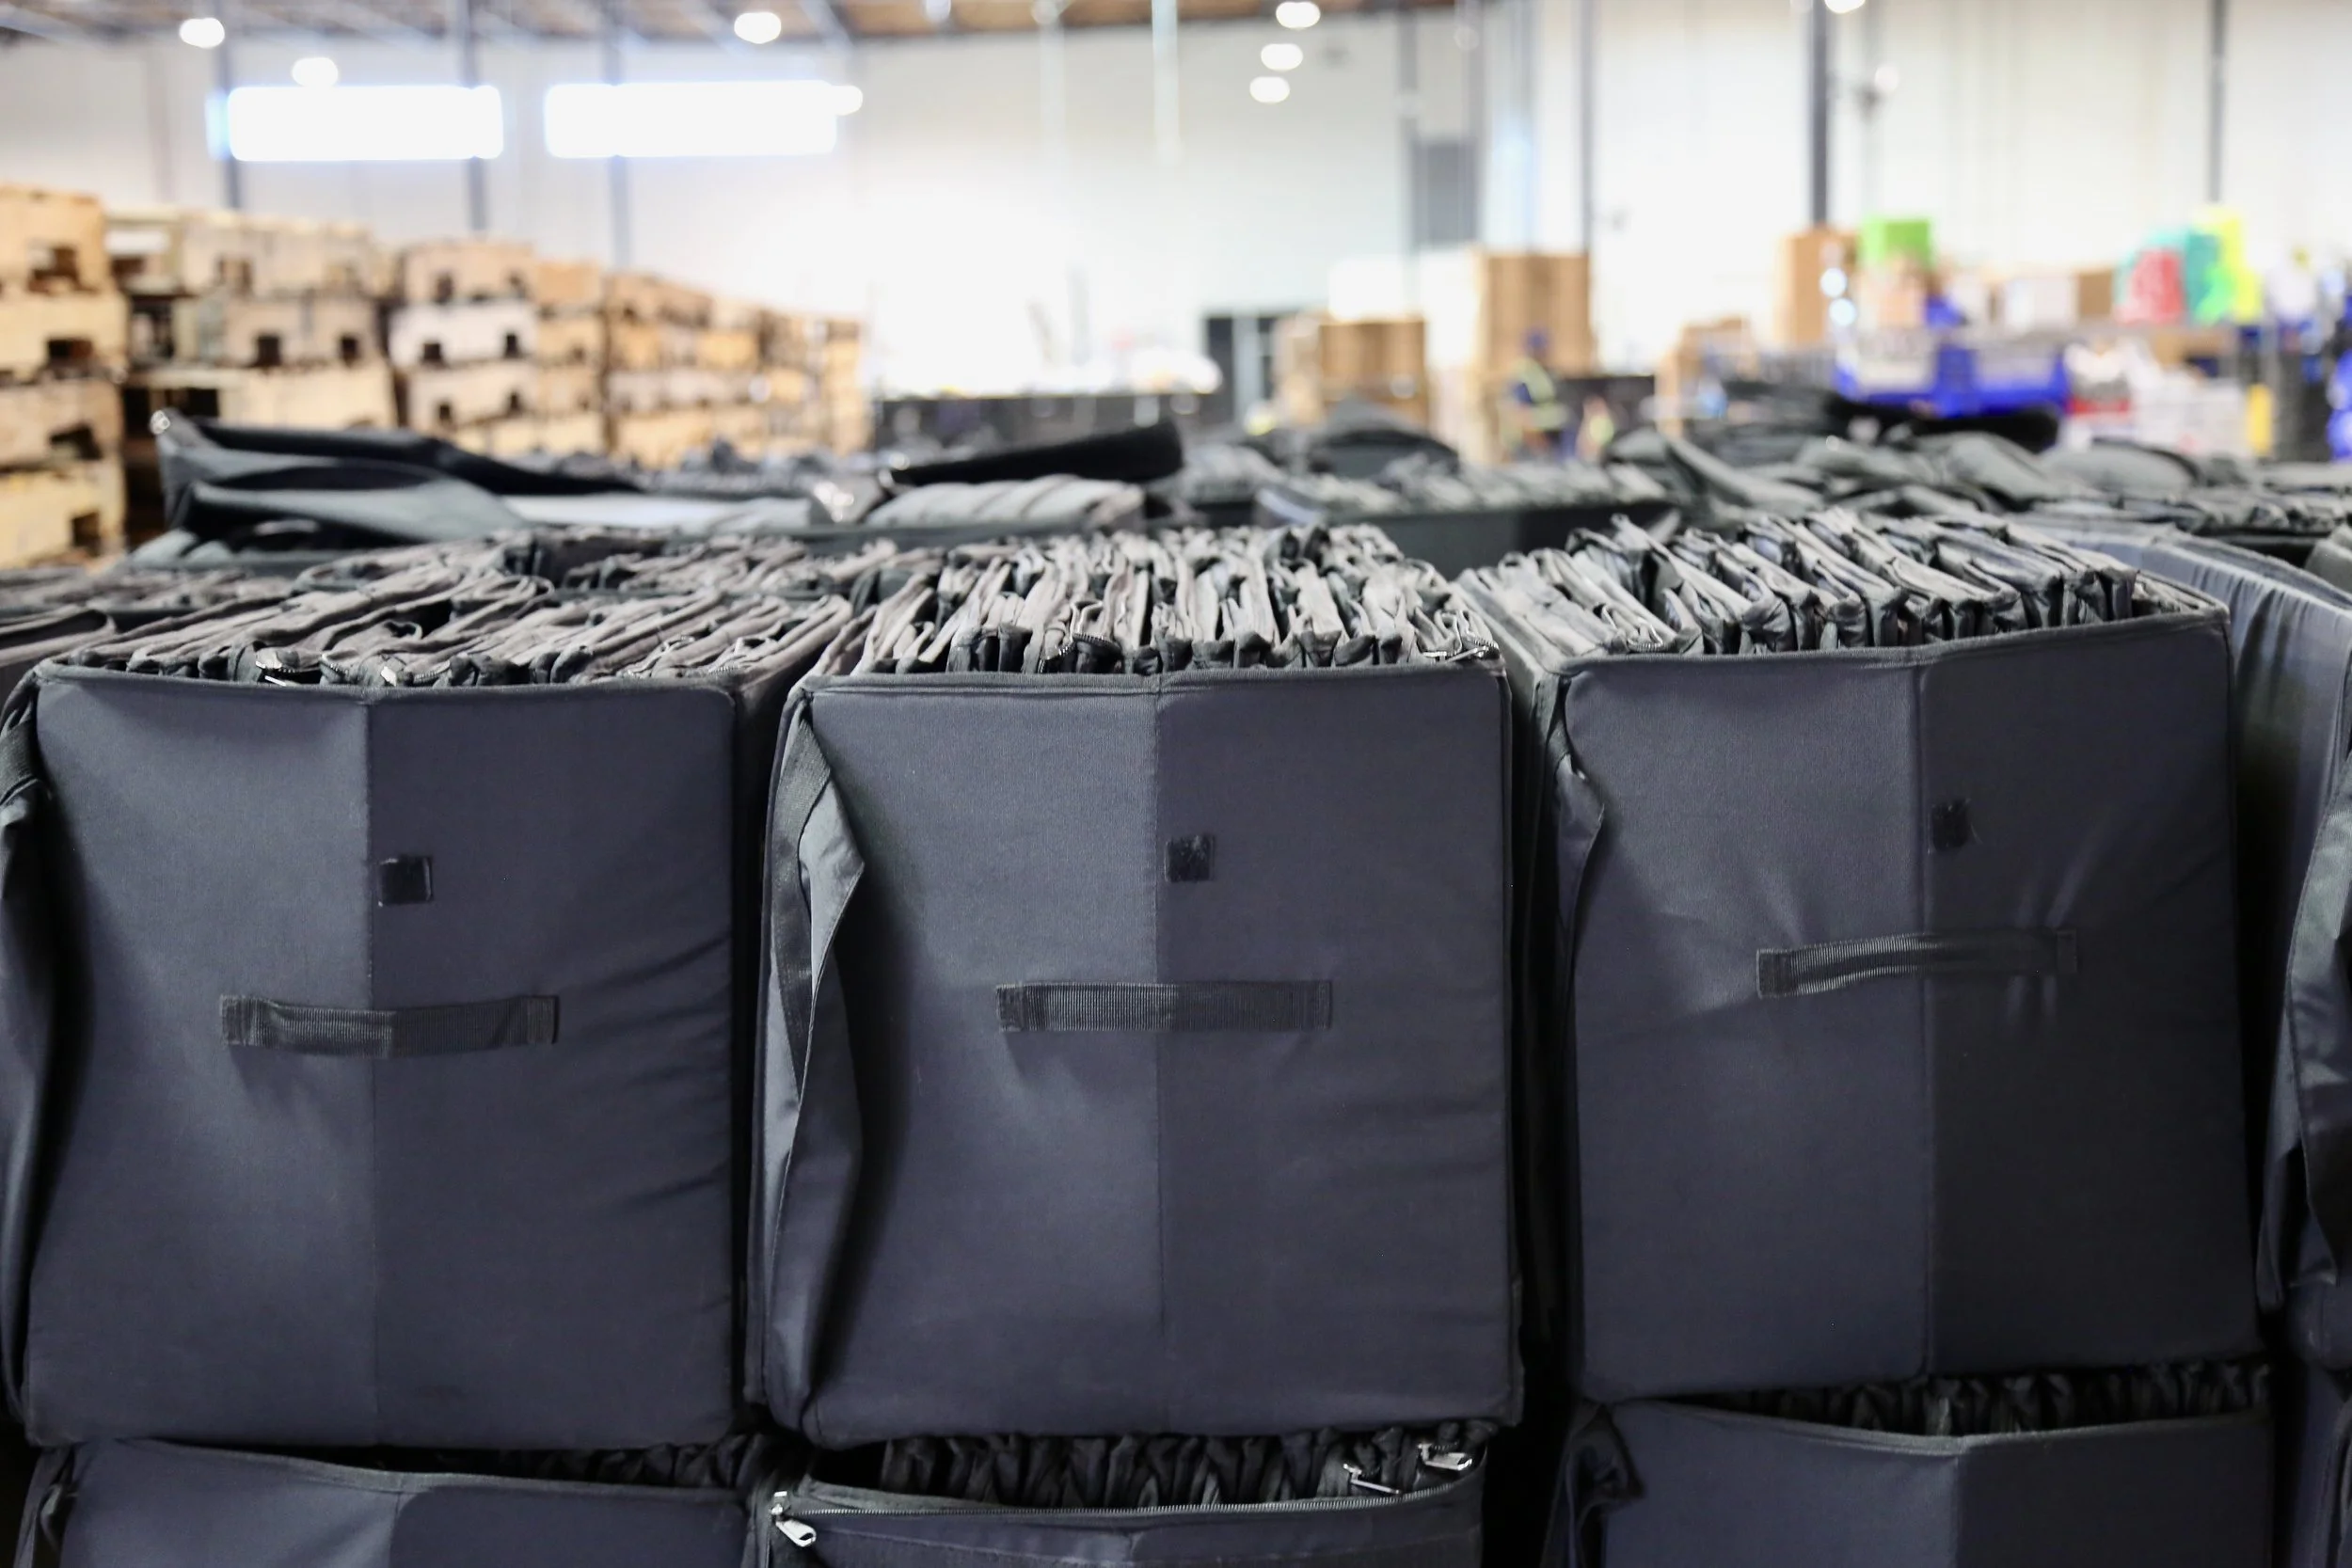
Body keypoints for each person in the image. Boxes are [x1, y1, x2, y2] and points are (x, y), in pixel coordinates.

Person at [1502, 330, 1569, 459]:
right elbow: (1521, 416)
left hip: (1548, 442)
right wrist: (1539, 443)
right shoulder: (1523, 377)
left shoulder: (1546, 374)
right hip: (1531, 446)